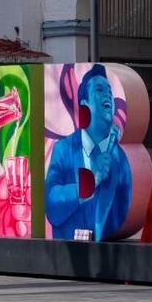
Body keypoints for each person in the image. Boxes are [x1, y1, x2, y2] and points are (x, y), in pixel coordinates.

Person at [45, 65, 131, 241]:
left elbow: (123, 210)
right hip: (64, 256)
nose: (108, 94)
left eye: (109, 91)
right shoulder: (64, 149)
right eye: (99, 90)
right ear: (84, 103)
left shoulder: (120, 158)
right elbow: (52, 205)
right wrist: (91, 182)